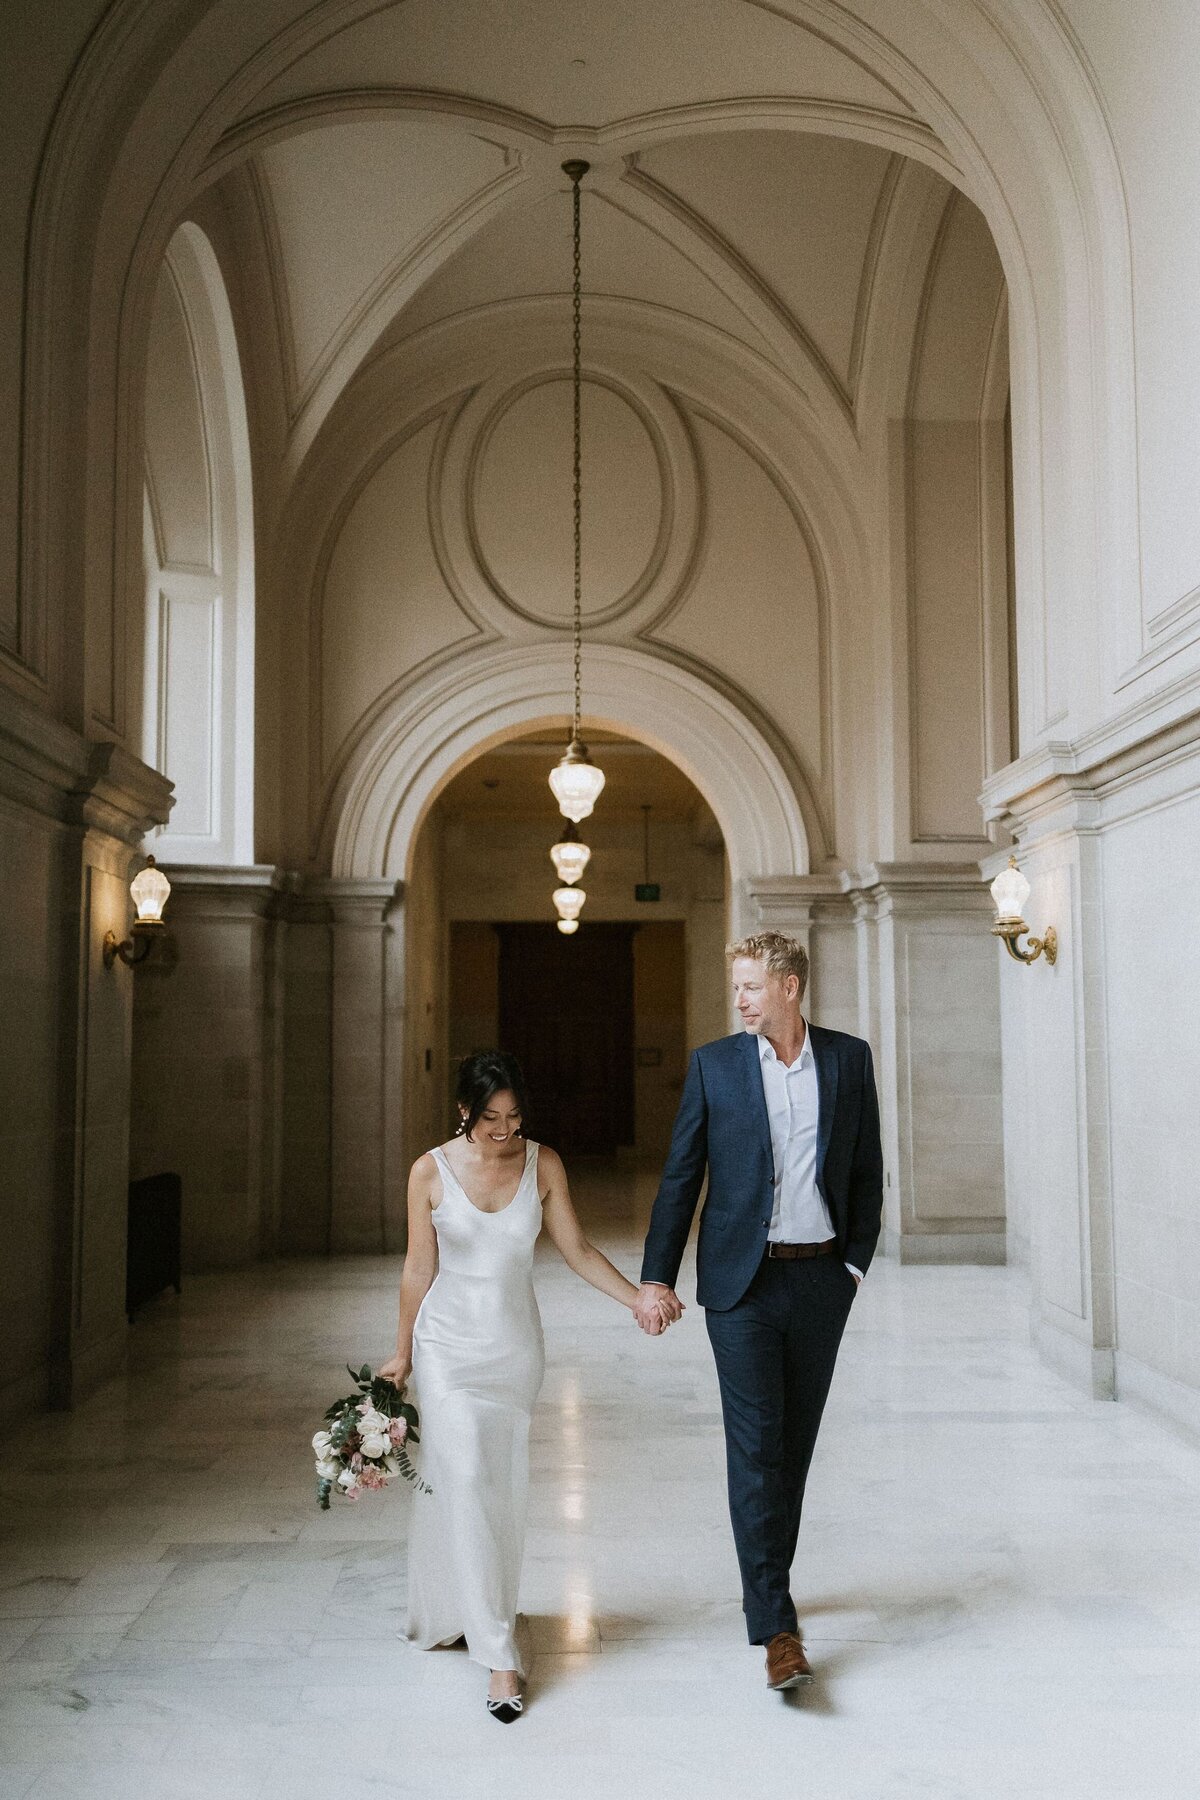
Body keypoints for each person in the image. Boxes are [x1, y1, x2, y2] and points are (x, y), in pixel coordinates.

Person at [633, 931, 883, 1691]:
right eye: (735, 986)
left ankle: (769, 1585)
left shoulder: (847, 1059)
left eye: (749, 986)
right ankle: (775, 1624)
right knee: (756, 1448)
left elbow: (868, 1169)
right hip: (739, 1288)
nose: (738, 999)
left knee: (794, 1449)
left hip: (819, 1283)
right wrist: (654, 1276)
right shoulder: (716, 1066)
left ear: (789, 987)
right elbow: (682, 1176)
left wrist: (852, 1265)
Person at [380, 1049, 654, 1721]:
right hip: (447, 1347)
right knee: (468, 1471)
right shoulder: (430, 1171)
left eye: (514, 1118)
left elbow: (579, 1251)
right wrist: (402, 1354)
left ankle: (475, 1608)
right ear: (463, 1112)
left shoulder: (544, 1164)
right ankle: (501, 1655)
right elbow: (419, 1268)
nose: (504, 1133)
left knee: (498, 1485)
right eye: (490, 1120)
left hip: (513, 1349)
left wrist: (639, 1301)